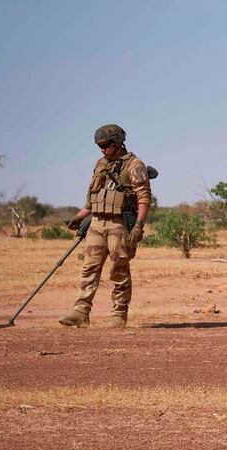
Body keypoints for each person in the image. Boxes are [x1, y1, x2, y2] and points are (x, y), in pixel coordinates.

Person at [58, 124, 152, 328]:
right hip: (96, 223)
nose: (102, 149)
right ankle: (80, 313)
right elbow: (94, 199)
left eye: (106, 145)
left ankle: (119, 315)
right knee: (89, 268)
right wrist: (78, 217)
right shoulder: (101, 164)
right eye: (99, 145)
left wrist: (139, 225)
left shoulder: (135, 165)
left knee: (119, 270)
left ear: (118, 143)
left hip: (119, 224)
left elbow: (144, 197)